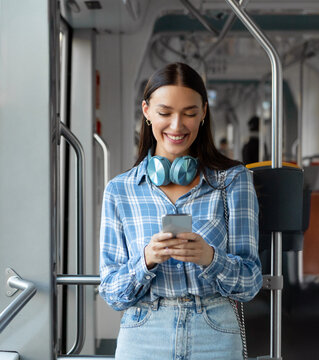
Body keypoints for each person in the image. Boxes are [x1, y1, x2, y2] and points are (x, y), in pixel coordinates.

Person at [99, 62, 262, 360]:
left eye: (189, 113)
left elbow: (250, 283)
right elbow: (111, 292)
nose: (177, 126)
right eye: (165, 113)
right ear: (147, 112)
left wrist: (210, 258)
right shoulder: (120, 190)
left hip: (214, 331)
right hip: (144, 333)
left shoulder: (233, 180)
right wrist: (146, 260)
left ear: (203, 113)